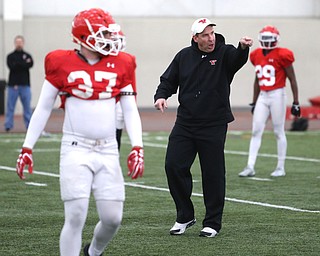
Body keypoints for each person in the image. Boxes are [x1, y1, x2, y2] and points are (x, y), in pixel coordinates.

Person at [15, 8, 144, 256]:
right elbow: (43, 108)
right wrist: (27, 147)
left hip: (107, 148)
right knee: (75, 215)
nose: (110, 38)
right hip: (76, 148)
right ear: (85, 36)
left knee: (113, 218)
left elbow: (130, 110)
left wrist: (137, 147)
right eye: (104, 33)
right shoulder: (60, 62)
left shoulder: (123, 63)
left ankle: (93, 251)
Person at [154, 18, 253, 238]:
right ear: (195, 38)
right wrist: (161, 96)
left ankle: (212, 222)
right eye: (205, 35)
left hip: (214, 124)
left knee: (213, 174)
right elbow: (168, 80)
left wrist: (243, 48)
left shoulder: (225, 53)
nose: (211, 38)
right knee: (173, 166)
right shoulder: (183, 56)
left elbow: (236, 60)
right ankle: (185, 215)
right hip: (185, 123)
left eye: (212, 34)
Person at [238, 25, 300, 178]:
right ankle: (250, 166)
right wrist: (253, 101)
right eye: (264, 39)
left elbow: (292, 78)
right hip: (263, 96)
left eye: (269, 39)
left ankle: (280, 167)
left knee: (278, 131)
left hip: (277, 94)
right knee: (256, 131)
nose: (266, 42)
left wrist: (296, 101)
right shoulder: (256, 54)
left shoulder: (283, 54)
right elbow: (257, 80)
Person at [5, 35, 33, 132]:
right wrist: (23, 64)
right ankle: (8, 125)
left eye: (20, 42)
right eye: (17, 42)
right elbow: (11, 66)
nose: (19, 44)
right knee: (10, 107)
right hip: (13, 86)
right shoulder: (10, 56)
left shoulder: (28, 55)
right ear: (15, 43)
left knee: (27, 107)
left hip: (25, 85)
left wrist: (18, 64)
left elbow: (30, 64)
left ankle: (29, 125)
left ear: (23, 43)